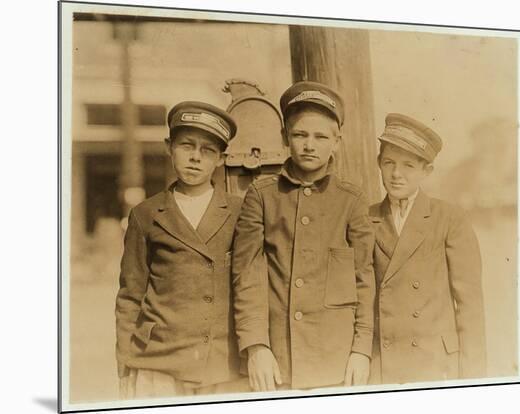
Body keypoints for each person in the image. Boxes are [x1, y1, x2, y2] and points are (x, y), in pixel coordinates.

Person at [231, 81, 376, 391]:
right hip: (276, 360)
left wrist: (361, 350)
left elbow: (364, 279)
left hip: (335, 360)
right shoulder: (261, 195)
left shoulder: (351, 200)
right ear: (285, 137)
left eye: (321, 137)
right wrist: (256, 347)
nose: (310, 145)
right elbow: (247, 276)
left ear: (337, 141)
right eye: (300, 135)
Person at [115, 101, 247, 398]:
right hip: (159, 360)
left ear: (221, 159)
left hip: (220, 361)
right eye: (187, 146)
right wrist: (125, 361)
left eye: (208, 150)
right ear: (169, 147)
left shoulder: (240, 211)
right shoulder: (145, 214)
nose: (195, 158)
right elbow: (130, 296)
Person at [368, 113, 487, 384]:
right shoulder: (366, 219)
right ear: (378, 163)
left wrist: (474, 377)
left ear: (427, 171)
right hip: (382, 365)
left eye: (408, 165)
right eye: (389, 163)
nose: (397, 174)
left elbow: (469, 306)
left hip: (435, 364)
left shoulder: (449, 218)